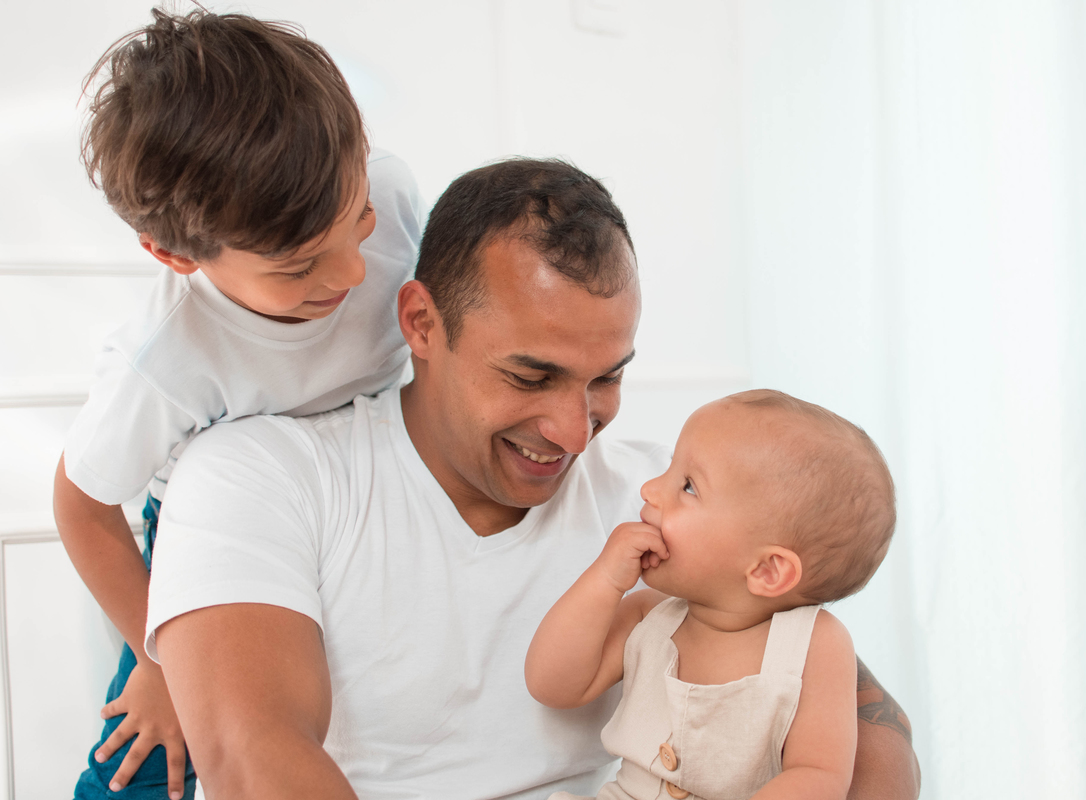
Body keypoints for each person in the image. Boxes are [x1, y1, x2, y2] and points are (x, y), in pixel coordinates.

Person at [145, 158, 920, 799]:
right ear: (422, 324)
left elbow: (866, 733)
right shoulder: (258, 477)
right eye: (530, 376)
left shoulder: (674, 507)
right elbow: (254, 757)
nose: (575, 432)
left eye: (606, 377)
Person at [53, 10, 425, 800]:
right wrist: (157, 658)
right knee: (151, 754)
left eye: (358, 221)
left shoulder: (388, 188)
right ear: (175, 255)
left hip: (359, 483)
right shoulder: (165, 360)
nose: (353, 273)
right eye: (299, 268)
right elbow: (81, 505)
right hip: (212, 521)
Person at [526, 390, 896, 800]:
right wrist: (605, 579)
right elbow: (553, 686)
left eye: (688, 487)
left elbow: (818, 776)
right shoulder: (646, 615)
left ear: (767, 570)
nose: (649, 489)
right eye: (669, 469)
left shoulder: (815, 644)